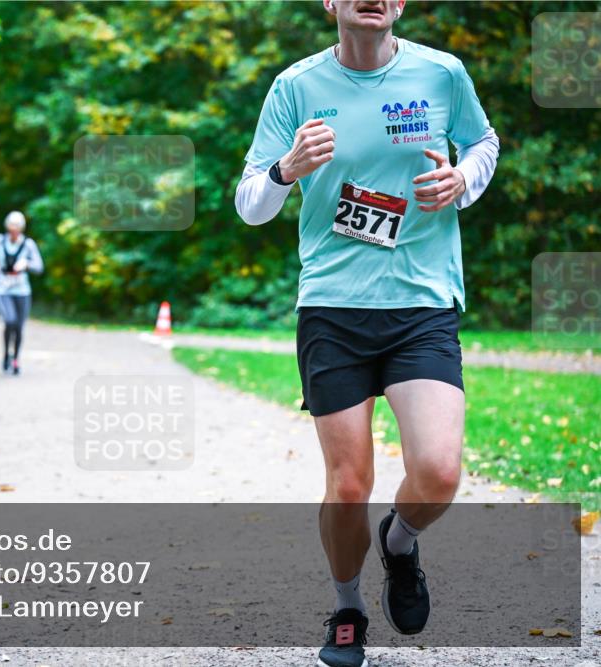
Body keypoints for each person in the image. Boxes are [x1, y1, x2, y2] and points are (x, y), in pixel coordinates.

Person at [234, 2, 499, 666]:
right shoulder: (296, 88)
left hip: (421, 304)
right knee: (348, 484)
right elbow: (249, 204)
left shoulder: (442, 74)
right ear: (330, 2)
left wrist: (464, 178)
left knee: (437, 471)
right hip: (333, 308)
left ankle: (402, 543)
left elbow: (485, 142)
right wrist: (284, 170)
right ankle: (348, 605)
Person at [0, 211, 43, 375]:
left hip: (22, 290)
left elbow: (39, 267)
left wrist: (26, 264)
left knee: (19, 327)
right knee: (10, 321)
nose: (14, 231)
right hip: (4, 289)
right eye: (11, 227)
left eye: (17, 227)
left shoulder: (28, 244)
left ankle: (16, 359)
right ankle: (6, 353)